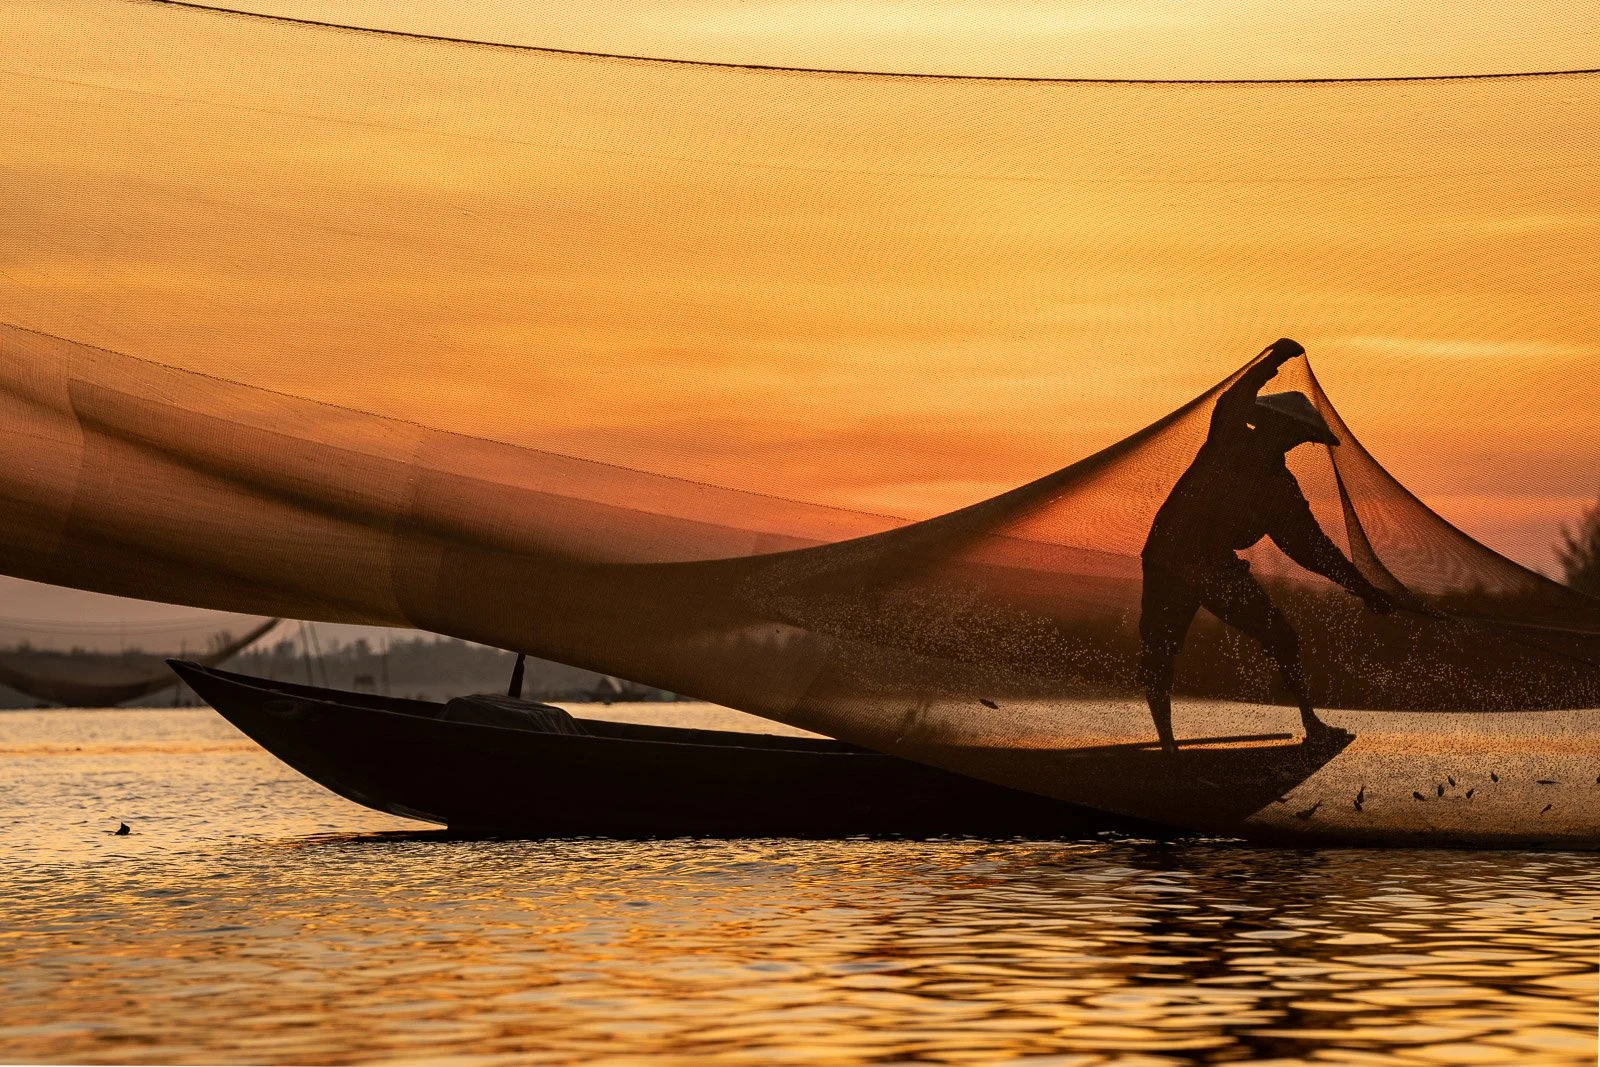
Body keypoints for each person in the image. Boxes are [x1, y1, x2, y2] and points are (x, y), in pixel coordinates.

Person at [1139, 338, 1395, 754]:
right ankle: (1166, 744)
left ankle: (1311, 723)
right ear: (1271, 425)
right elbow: (1233, 400)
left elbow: (1312, 549)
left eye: (1299, 436)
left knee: (1282, 639)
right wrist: (1273, 361)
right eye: (1293, 432)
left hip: (1216, 568)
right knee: (1160, 648)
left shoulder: (1280, 490)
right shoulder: (1228, 443)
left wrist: (1364, 590)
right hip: (1170, 557)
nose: (1296, 441)